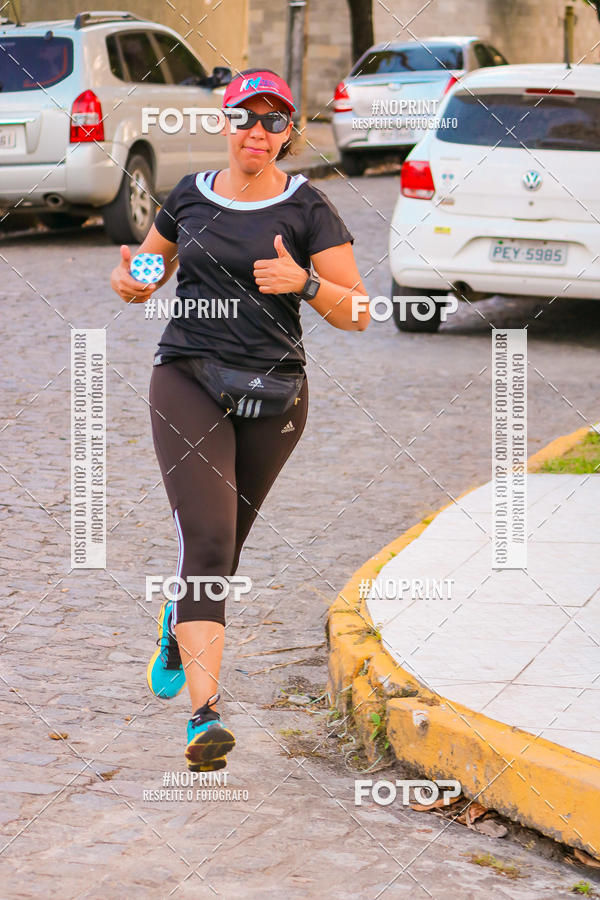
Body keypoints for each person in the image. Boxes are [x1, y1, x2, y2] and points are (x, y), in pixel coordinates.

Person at [110, 68, 369, 771]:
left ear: (288, 133)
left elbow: (359, 312)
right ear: (224, 122)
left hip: (275, 396)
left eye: (273, 120)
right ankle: (205, 718)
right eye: (245, 117)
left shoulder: (309, 208)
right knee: (210, 540)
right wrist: (132, 279)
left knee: (222, 553)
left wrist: (305, 282)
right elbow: (148, 272)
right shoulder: (189, 195)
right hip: (187, 377)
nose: (258, 130)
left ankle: (179, 619)